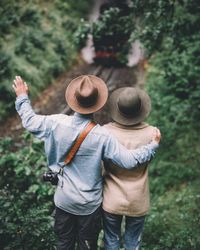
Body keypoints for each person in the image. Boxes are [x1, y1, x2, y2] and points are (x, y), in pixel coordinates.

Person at [13, 75, 160, 250]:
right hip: (89, 206)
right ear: (97, 104)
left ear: (73, 100)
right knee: (87, 246)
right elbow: (128, 161)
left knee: (64, 244)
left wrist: (22, 96)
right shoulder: (103, 136)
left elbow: (29, 120)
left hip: (64, 200)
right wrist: (152, 146)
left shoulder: (55, 123)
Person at [103, 87, 159, 250]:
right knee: (133, 241)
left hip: (111, 198)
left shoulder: (106, 132)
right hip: (138, 199)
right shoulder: (152, 134)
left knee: (111, 239)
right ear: (140, 109)